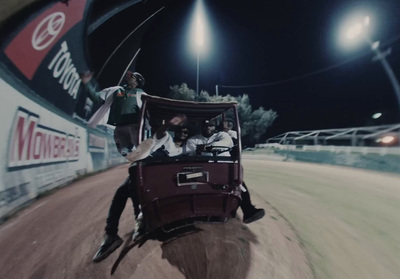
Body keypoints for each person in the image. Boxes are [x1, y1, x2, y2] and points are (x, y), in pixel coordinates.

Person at [92, 115, 187, 263]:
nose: (183, 134)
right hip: (144, 172)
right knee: (121, 192)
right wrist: (168, 124)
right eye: (181, 131)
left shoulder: (184, 147)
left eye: (185, 132)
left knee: (134, 185)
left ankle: (140, 220)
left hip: (160, 177)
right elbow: (160, 133)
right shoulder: (162, 138)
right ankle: (112, 234)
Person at [186, 119, 265, 224]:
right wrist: (203, 150)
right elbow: (191, 152)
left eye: (211, 126)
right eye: (205, 126)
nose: (208, 128)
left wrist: (206, 147)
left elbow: (226, 142)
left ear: (215, 127)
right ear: (202, 127)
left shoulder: (222, 135)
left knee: (239, 183)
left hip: (224, 167)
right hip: (204, 168)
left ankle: (248, 210)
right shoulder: (194, 139)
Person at [81, 71, 146, 156]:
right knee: (123, 150)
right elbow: (96, 98)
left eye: (132, 76)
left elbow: (148, 111)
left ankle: (148, 162)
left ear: (137, 82)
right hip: (119, 126)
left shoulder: (141, 94)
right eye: (129, 75)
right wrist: (86, 84)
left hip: (134, 126)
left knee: (141, 149)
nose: (128, 76)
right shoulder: (115, 90)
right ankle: (132, 157)